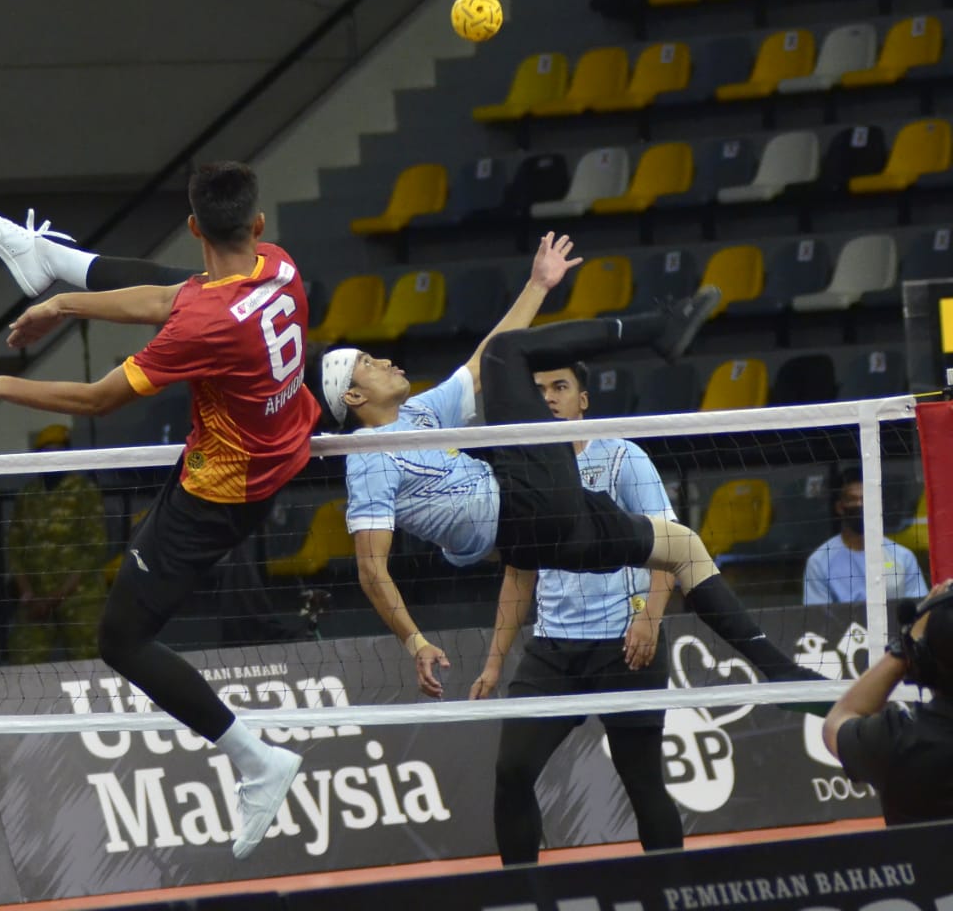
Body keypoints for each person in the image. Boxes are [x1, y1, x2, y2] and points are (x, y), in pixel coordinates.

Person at [0, 162, 320, 859]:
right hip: (278, 453)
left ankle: (256, 760)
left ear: (193, 226)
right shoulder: (280, 266)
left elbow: (97, 399)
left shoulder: (204, 323)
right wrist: (63, 303)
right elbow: (170, 295)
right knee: (176, 286)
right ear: (256, 225)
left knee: (122, 640)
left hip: (218, 496)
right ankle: (49, 260)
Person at [321, 232, 815, 702]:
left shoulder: (421, 415)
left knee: (684, 547)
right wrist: (415, 642)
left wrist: (538, 285)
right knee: (506, 353)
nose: (384, 361)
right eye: (367, 363)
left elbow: (477, 365)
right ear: (354, 397)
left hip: (550, 532)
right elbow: (370, 568)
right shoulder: (368, 458)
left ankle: (783, 675)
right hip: (522, 512)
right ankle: (658, 327)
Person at [468, 360, 682, 864]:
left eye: (560, 387)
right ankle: (522, 890)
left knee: (642, 781)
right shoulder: (523, 475)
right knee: (512, 770)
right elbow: (519, 576)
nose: (548, 397)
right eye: (539, 389)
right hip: (553, 650)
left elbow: (673, 548)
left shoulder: (623, 458)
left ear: (582, 400)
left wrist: (649, 618)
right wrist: (494, 663)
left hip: (625, 646)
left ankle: (674, 888)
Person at [822, 580, 953, 825]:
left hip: (925, 853)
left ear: (922, 660)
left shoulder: (896, 742)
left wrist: (903, 647)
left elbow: (836, 722)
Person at [5, 424, 108, 665]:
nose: (52, 458)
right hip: (36, 601)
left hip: (81, 598)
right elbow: (14, 547)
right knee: (23, 662)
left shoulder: (83, 491)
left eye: (58, 451)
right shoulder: (28, 494)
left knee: (90, 664)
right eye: (46, 452)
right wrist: (28, 593)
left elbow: (95, 548)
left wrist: (57, 596)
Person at [803, 466, 928, 606]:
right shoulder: (819, 562)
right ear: (840, 507)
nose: (859, 504)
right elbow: (818, 615)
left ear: (878, 505)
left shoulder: (903, 557)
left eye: (866, 499)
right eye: (852, 499)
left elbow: (919, 609)